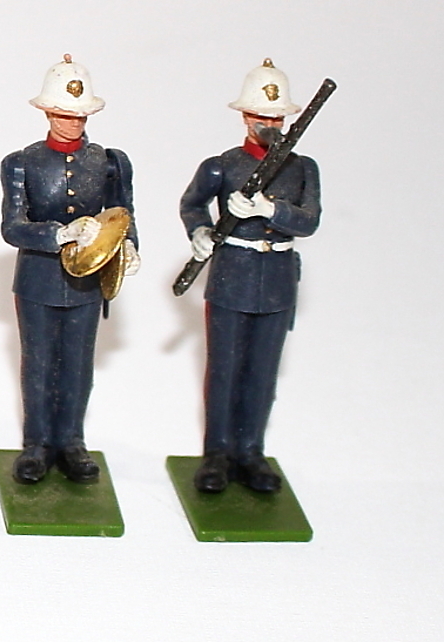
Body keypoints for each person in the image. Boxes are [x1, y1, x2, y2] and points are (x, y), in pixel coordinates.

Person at [177, 59, 321, 493]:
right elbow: (192, 204)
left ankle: (250, 451)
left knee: (262, 371)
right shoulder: (222, 166)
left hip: (277, 280)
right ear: (244, 116)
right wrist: (200, 233)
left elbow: (309, 220)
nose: (268, 125)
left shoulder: (302, 169)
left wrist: (269, 209)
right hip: (232, 276)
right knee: (224, 369)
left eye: (276, 118)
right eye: (261, 116)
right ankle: (217, 453)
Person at [0, 55, 140, 484]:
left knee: (78, 363)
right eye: (63, 114)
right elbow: (12, 227)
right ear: (47, 112)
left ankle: (72, 441)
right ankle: (37, 444)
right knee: (38, 363)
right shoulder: (22, 162)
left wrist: (128, 246)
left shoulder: (109, 162)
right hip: (39, 279)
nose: (72, 122)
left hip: (88, 281)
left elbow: (123, 212)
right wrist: (59, 234)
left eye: (79, 115)